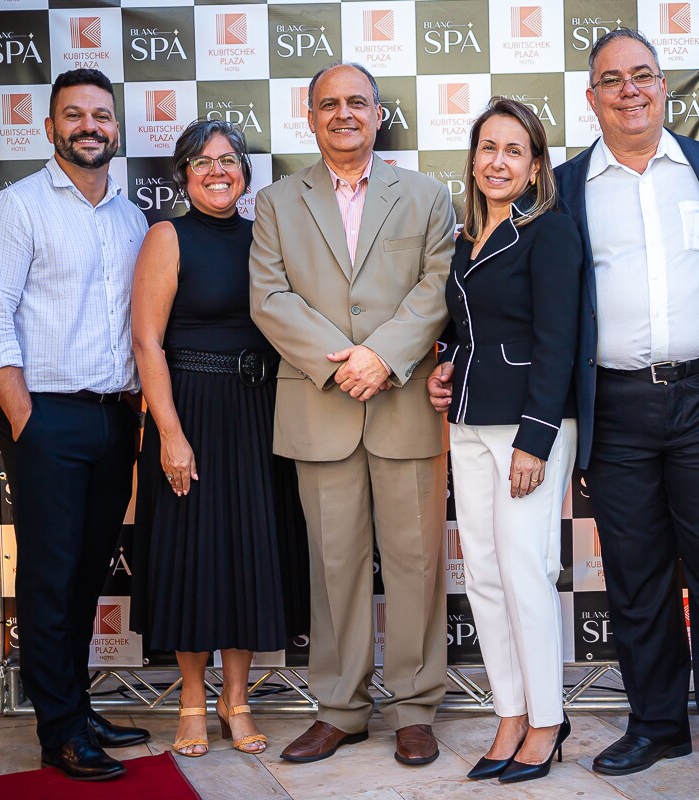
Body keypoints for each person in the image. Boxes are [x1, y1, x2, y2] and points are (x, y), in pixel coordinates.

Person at [554, 28, 699, 800]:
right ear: (592, 99)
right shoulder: (565, 184)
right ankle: (656, 724)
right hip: (611, 405)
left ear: (663, 86)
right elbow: (539, 300)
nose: (630, 90)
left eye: (642, 75)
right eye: (611, 80)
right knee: (637, 579)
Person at [249, 61, 455, 767]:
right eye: (328, 104)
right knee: (332, 566)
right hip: (321, 405)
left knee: (417, 563)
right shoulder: (277, 201)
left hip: (405, 404)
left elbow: (435, 288)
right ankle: (339, 709)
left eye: (357, 103)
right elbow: (270, 298)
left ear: (376, 115)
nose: (344, 114)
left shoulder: (427, 196)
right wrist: (346, 360)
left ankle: (415, 707)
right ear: (310, 118)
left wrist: (383, 357)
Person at [0, 68, 151, 781]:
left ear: (116, 128)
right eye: (74, 116)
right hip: (46, 417)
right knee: (48, 577)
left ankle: (76, 705)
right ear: (49, 129)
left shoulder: (132, 218)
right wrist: (27, 419)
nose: (89, 127)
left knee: (86, 576)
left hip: (113, 419)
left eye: (101, 116)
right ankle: (59, 732)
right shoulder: (12, 211)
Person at [129, 119, 309, 758]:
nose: (216, 170)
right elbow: (147, 341)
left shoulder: (264, 238)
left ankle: (237, 700)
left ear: (244, 172)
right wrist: (171, 435)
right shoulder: (166, 237)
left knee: (246, 556)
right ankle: (189, 701)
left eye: (228, 160)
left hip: (258, 413)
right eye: (202, 161)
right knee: (193, 557)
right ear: (183, 173)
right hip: (192, 412)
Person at [426, 99, 581, 785]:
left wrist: (536, 439)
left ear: (535, 165)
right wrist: (443, 367)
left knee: (525, 571)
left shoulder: (551, 233)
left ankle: (547, 721)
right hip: (469, 421)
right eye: (487, 148)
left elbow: (558, 342)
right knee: (484, 576)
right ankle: (510, 713)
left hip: (529, 425)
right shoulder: (463, 238)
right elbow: (467, 331)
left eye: (513, 150)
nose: (498, 161)